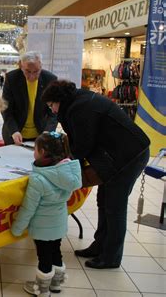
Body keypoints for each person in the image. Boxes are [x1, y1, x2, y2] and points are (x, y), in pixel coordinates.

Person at [42, 80, 150, 269]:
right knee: (104, 200)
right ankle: (100, 245)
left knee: (115, 205)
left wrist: (65, 166)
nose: (52, 110)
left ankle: (111, 256)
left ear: (59, 100)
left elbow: (83, 145)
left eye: (52, 105)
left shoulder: (80, 108)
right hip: (117, 153)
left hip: (130, 154)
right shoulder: (76, 103)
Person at [11, 131, 81, 296]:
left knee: (44, 258)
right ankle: (56, 284)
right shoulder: (66, 175)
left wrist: (17, 228)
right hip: (59, 224)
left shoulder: (38, 178)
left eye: (34, 149)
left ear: (42, 152)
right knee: (56, 251)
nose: (33, 152)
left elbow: (29, 208)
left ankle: (42, 290)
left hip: (42, 228)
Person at [2, 51, 57, 145]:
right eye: (27, 71)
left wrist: (48, 132)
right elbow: (6, 108)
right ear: (21, 66)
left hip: (41, 135)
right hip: (14, 134)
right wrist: (14, 131)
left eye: (36, 72)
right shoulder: (12, 78)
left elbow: (54, 112)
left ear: (41, 66)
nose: (32, 76)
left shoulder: (50, 79)